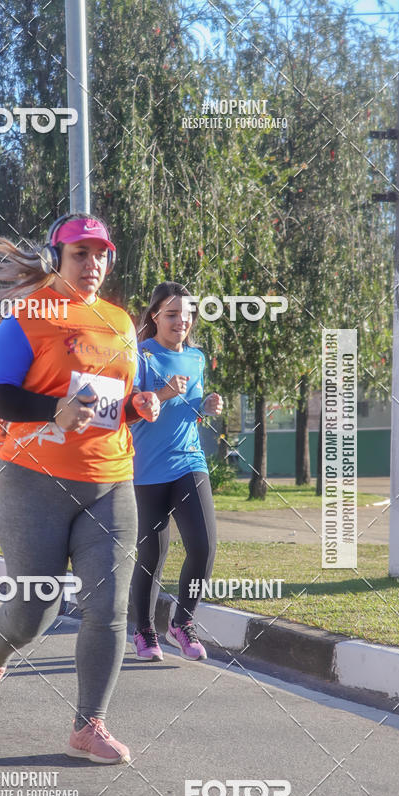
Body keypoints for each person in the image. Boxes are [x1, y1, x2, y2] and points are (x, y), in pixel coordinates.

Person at [0, 213, 159, 764]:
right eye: (80, 254)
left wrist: (138, 404)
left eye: (100, 254)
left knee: (109, 607)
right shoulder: (27, 319)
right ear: (58, 258)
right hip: (34, 479)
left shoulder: (121, 322)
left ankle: (87, 725)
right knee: (35, 607)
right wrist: (53, 409)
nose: (92, 264)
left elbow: (117, 397)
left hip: (111, 479)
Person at [130, 282, 223, 661]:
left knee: (203, 545)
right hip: (146, 468)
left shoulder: (197, 358)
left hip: (189, 460)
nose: (180, 321)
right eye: (171, 314)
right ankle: (144, 630)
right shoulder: (140, 355)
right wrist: (164, 394)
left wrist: (208, 404)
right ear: (154, 317)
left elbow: (193, 409)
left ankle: (181, 622)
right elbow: (132, 409)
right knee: (152, 553)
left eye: (186, 315)